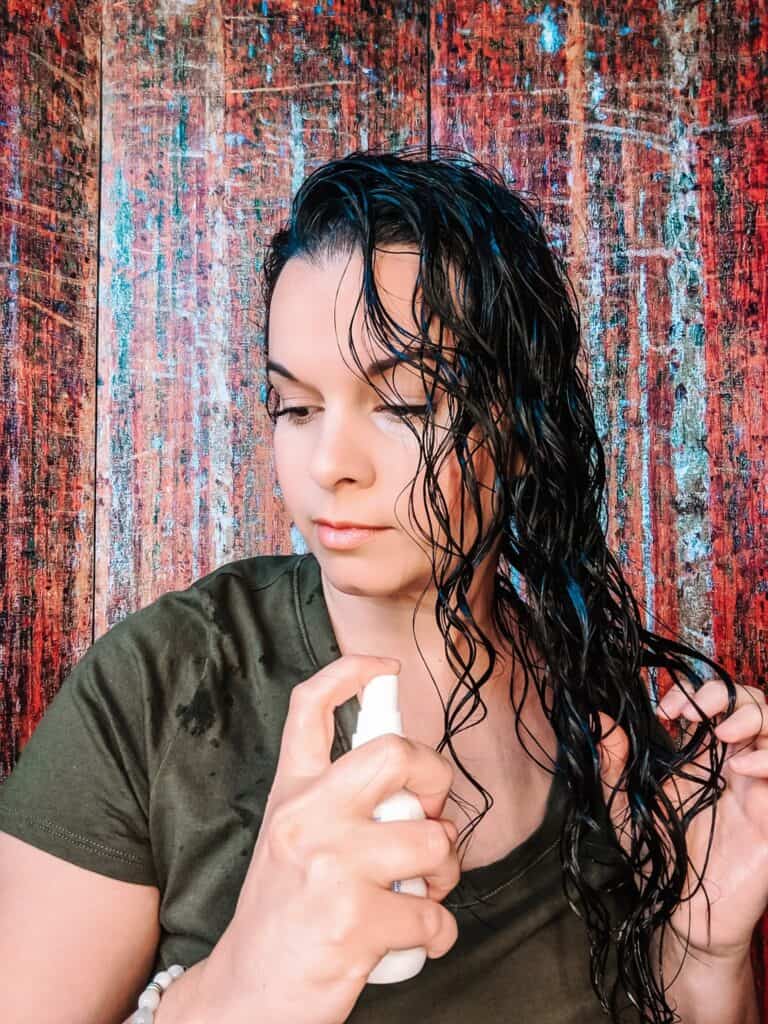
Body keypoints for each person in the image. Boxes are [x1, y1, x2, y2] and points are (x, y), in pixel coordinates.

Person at [0, 146, 764, 1024]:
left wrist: (704, 954)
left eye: (404, 404)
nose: (330, 465)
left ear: (522, 426)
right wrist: (244, 985)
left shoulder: (611, 718)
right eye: (296, 407)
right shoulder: (155, 686)